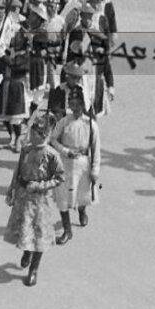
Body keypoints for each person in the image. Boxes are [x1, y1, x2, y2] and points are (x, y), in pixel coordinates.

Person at [5, 114, 65, 286]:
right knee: (25, 228)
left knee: (39, 235)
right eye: (32, 132)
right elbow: (17, 171)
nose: (32, 136)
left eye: (36, 133)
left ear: (44, 135)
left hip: (40, 201)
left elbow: (60, 178)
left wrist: (41, 185)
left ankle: (34, 270)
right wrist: (12, 190)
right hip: (24, 198)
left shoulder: (52, 155)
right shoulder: (26, 149)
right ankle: (27, 251)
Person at [50, 88, 102, 243]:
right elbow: (53, 139)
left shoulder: (90, 124)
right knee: (62, 198)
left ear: (84, 105)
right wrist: (65, 151)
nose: (76, 108)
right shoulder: (64, 122)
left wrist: (95, 169)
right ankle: (67, 230)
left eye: (79, 104)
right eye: (72, 104)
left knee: (81, 194)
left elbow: (96, 148)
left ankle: (82, 210)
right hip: (65, 164)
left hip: (83, 165)